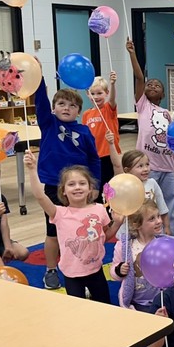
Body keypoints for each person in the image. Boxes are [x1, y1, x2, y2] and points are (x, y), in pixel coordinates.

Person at [33, 78, 100, 289]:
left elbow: (94, 159)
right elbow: (40, 102)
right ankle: (51, 269)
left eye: (72, 105)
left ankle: (83, 264)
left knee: (81, 228)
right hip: (54, 187)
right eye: (61, 104)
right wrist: (38, 76)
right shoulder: (49, 123)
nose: (66, 108)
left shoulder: (85, 131)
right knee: (53, 231)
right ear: (53, 108)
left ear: (79, 111)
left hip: (81, 189)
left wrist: (95, 185)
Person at [24, 151, 110, 303]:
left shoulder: (99, 209)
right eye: (71, 184)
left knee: (105, 305)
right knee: (76, 309)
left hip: (96, 269)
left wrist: (118, 221)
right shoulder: (59, 213)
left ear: (90, 188)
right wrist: (32, 169)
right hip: (72, 273)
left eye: (82, 183)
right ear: (63, 190)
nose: (77, 187)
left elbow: (106, 236)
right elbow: (40, 196)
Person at [126, 38, 174, 230]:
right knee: (148, 205)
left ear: (163, 94)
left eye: (158, 86)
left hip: (168, 166)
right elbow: (139, 78)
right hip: (150, 166)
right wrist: (132, 53)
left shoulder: (166, 113)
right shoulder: (143, 106)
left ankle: (170, 236)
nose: (153, 86)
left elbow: (172, 139)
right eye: (151, 84)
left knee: (169, 206)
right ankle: (146, 234)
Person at [111, 200, 170, 312]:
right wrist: (119, 270)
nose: (158, 221)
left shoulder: (164, 244)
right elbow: (114, 272)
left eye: (158, 216)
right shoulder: (125, 246)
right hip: (136, 302)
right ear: (136, 225)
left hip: (161, 300)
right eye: (152, 219)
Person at [82, 73, 123, 182]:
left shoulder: (108, 108)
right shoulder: (86, 114)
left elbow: (113, 99)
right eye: (92, 93)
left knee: (109, 182)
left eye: (99, 93)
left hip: (109, 154)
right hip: (94, 155)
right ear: (88, 94)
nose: (96, 97)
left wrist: (113, 84)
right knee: (96, 183)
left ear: (107, 93)